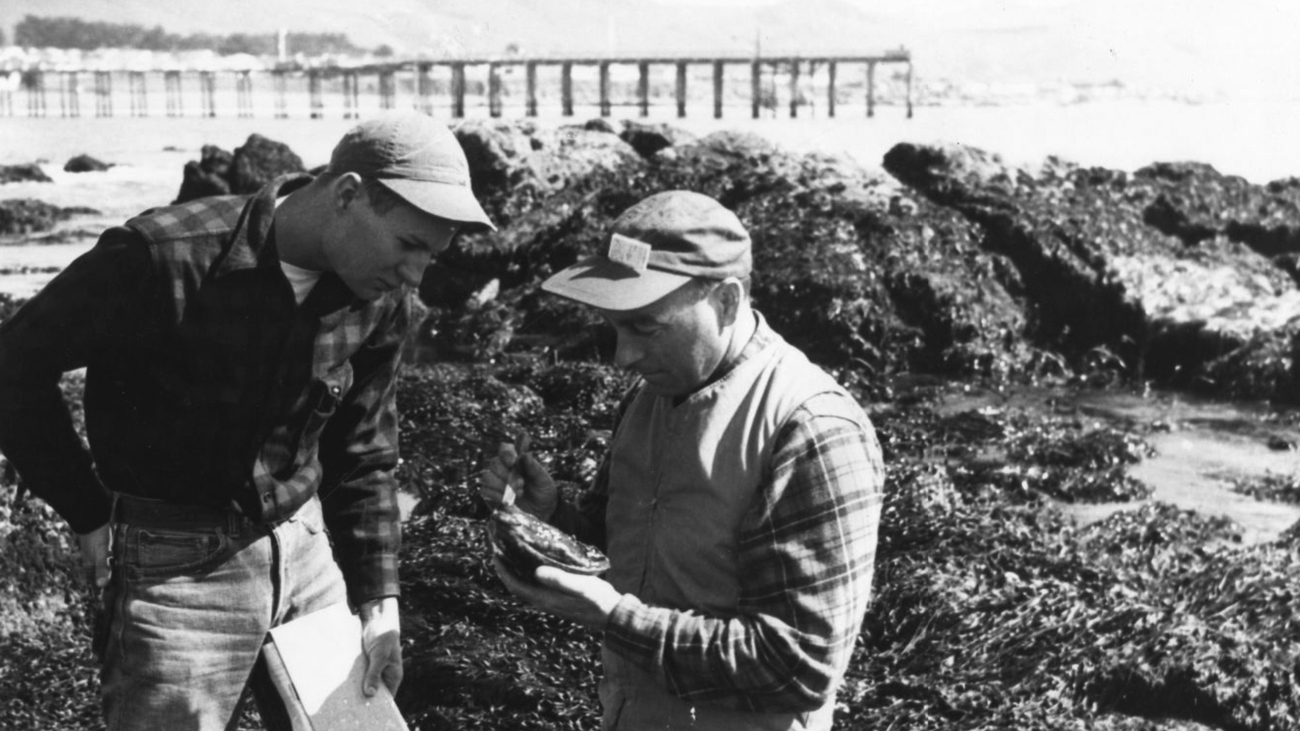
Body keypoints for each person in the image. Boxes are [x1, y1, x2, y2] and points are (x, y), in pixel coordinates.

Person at [0, 109, 494, 730]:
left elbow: (365, 452)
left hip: (309, 560)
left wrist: (380, 601)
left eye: (433, 257)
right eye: (410, 245)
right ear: (347, 195)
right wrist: (86, 509)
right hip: (173, 574)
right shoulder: (161, 257)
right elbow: (14, 368)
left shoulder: (379, 294)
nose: (416, 275)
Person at [481, 190, 884, 730]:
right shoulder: (648, 398)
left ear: (727, 302)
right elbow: (622, 556)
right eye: (615, 327)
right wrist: (552, 517)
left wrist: (616, 619)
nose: (624, 356)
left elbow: (798, 666)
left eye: (646, 327)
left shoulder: (811, 429)